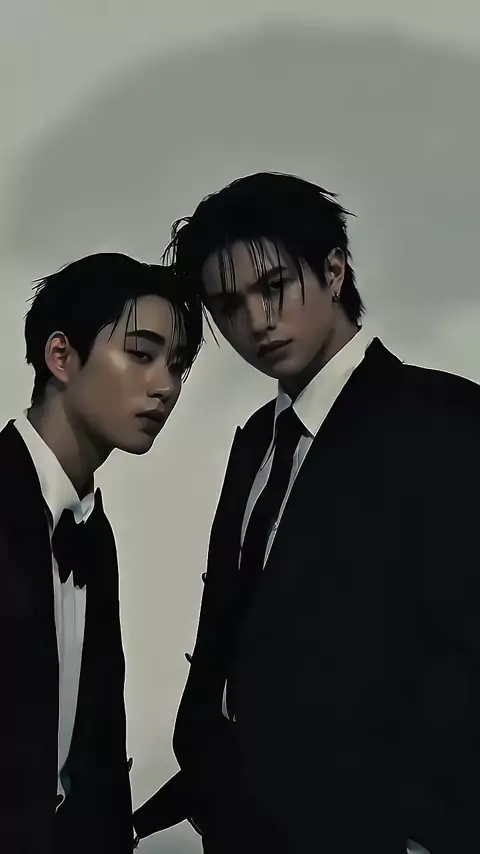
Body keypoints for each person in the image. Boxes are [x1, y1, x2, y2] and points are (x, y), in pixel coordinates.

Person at [134, 173, 480, 854]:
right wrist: (199, 779)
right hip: (242, 827)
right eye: (228, 304)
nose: (257, 320)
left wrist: (426, 832)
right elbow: (240, 639)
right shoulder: (256, 443)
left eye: (274, 287)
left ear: (334, 270)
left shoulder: (444, 422)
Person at [0, 253, 202, 854]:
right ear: (61, 357)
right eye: (140, 354)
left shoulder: (91, 530)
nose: (165, 386)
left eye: (177, 366)